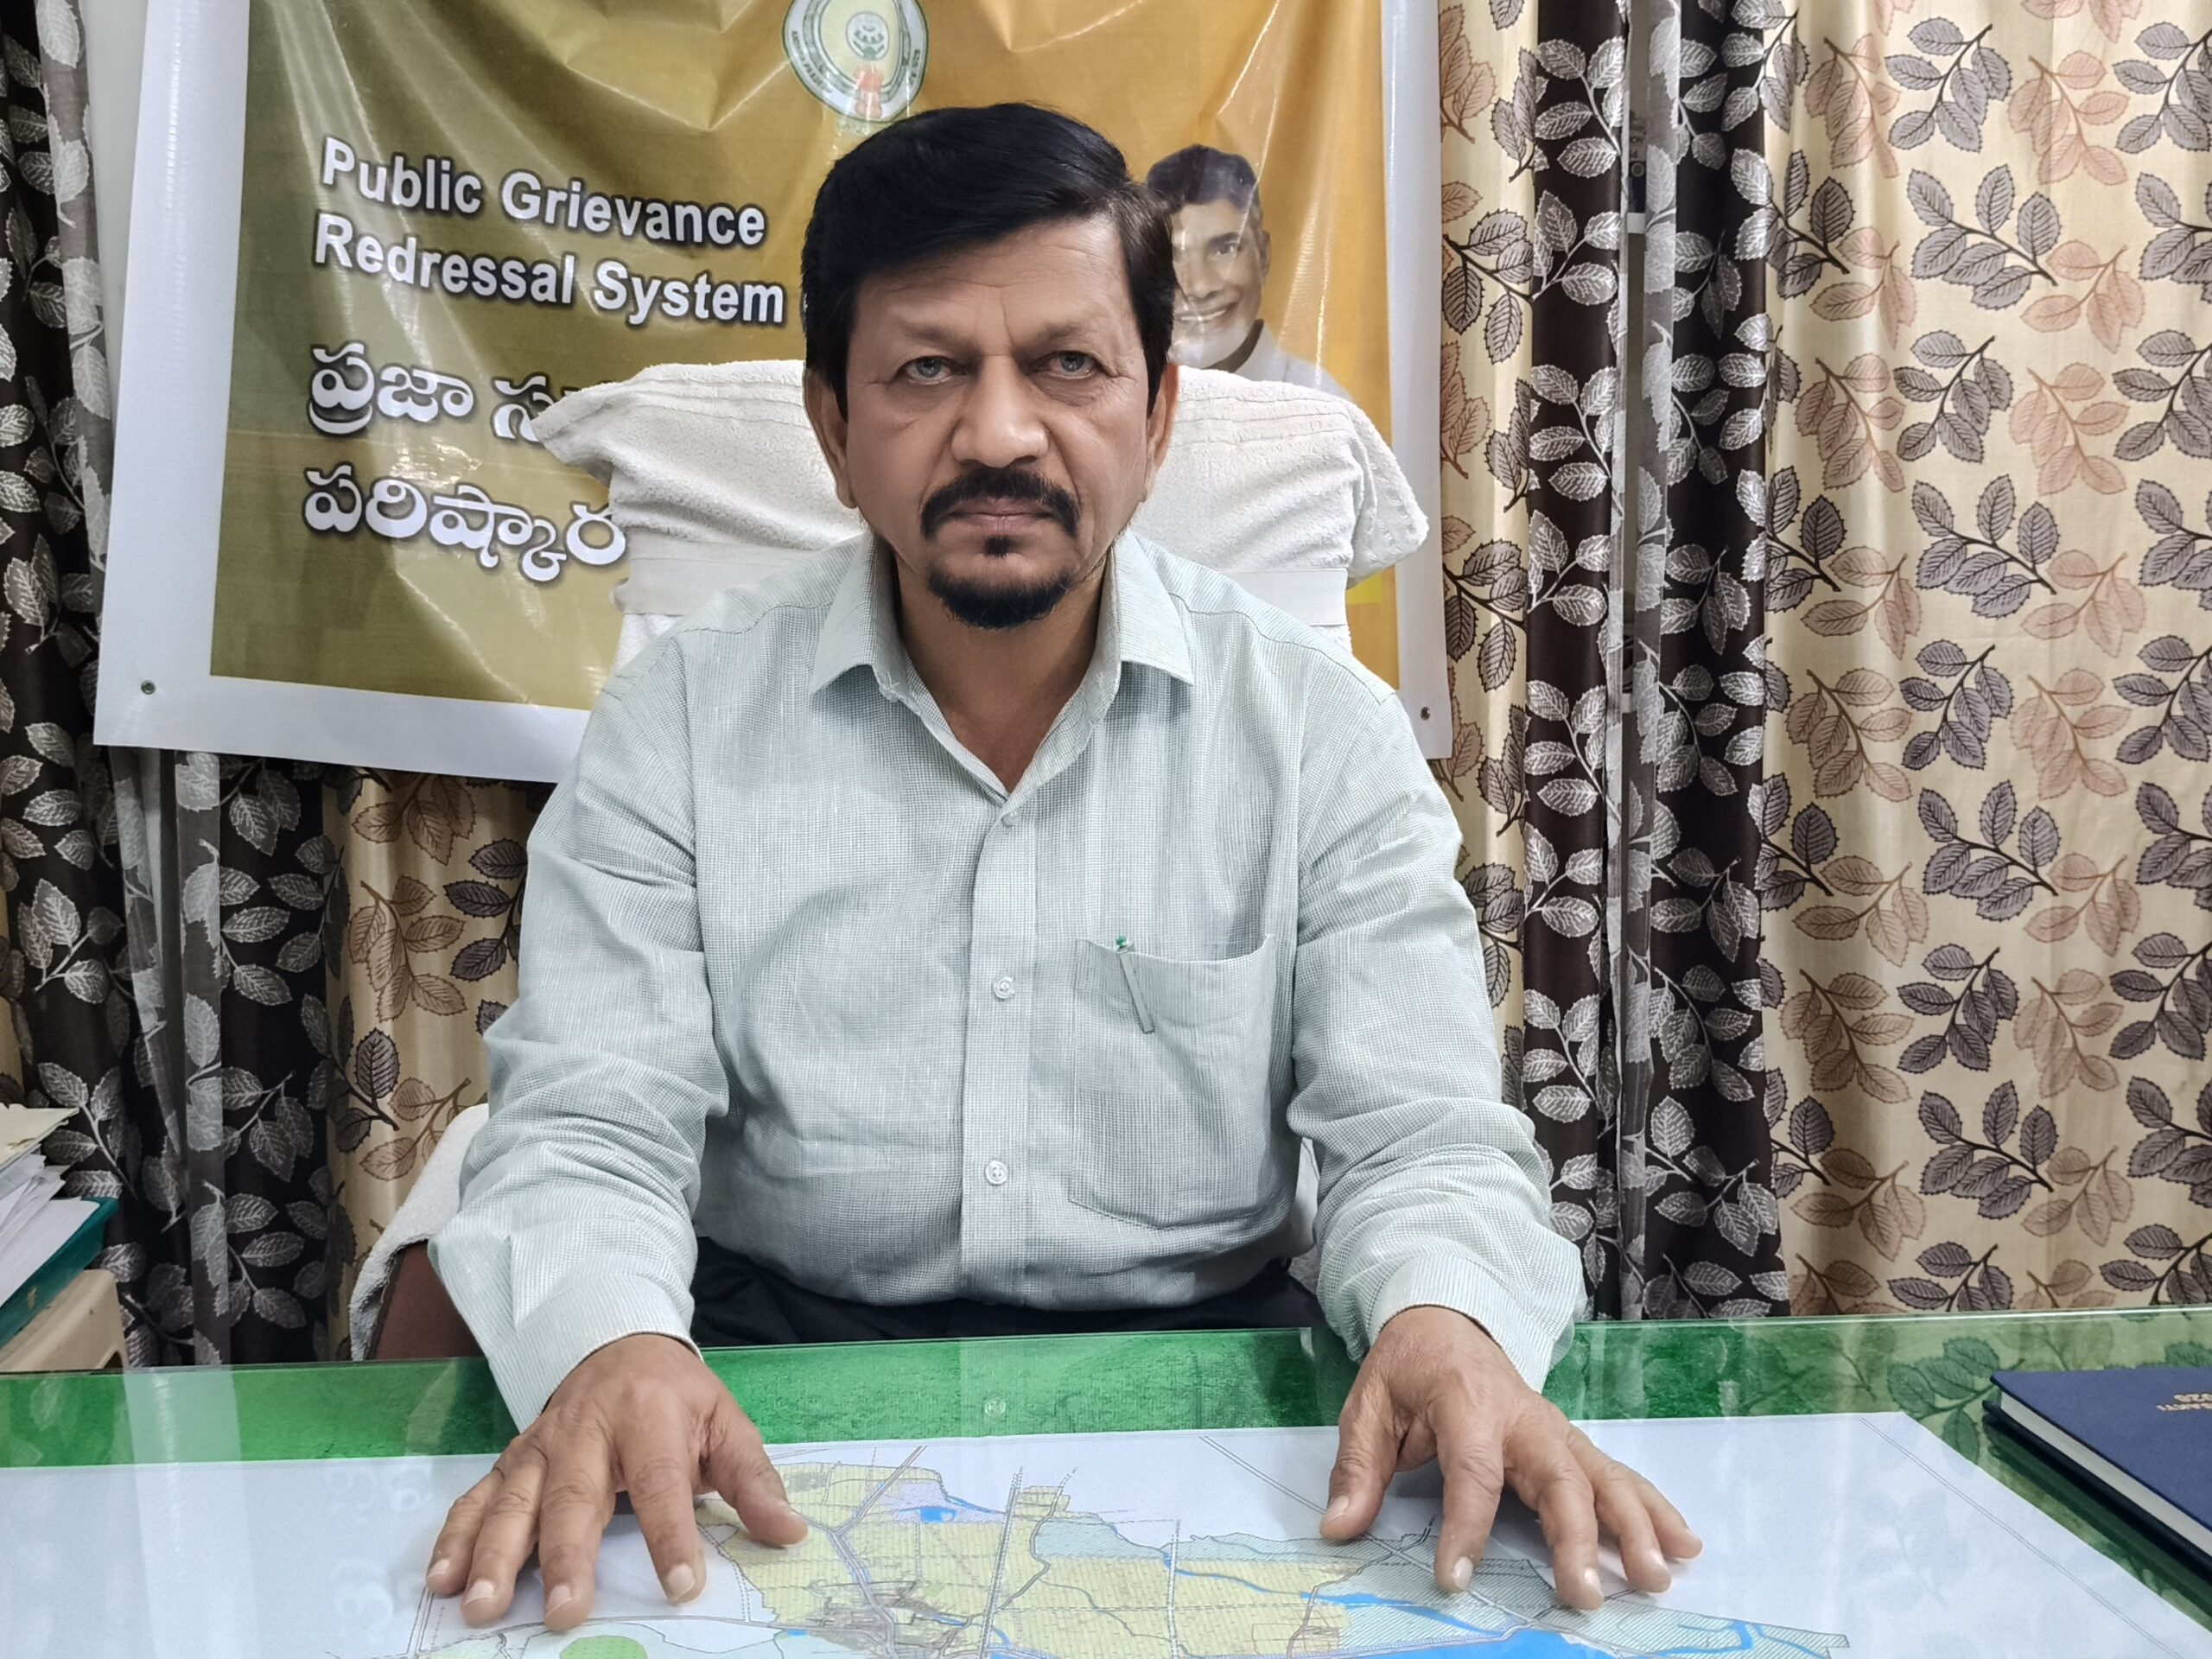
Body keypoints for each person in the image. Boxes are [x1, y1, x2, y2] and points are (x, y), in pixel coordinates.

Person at [423, 103, 1696, 1636]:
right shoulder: (677, 728)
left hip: (1220, 1388)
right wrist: (612, 1346)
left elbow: (1417, 1137)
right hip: (760, 1386)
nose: (1001, 435)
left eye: (1068, 366)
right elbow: (587, 1127)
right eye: (926, 370)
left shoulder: (1318, 732)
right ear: (831, 429)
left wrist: (1444, 1319)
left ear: (1159, 418)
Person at [1144, 143, 1349, 397]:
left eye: (1225, 249)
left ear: (1263, 256)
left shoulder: (1322, 401)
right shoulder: (1132, 395)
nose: (1200, 286)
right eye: (1172, 255)